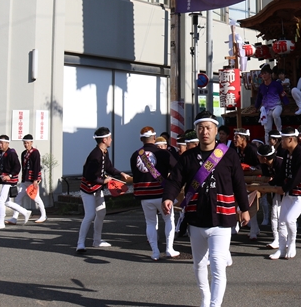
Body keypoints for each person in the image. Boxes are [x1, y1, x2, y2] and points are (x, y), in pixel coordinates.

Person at [162, 111, 249, 307]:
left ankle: (214, 305)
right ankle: (205, 298)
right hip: (196, 218)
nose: (204, 132)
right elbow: (175, 180)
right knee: (199, 264)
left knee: (218, 264)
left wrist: (244, 208)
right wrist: (168, 197)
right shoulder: (188, 157)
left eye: (208, 128)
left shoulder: (229, 155)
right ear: (196, 130)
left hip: (222, 218)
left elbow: (239, 183)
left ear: (216, 130)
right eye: (200, 128)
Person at [76, 127, 132, 253]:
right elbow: (88, 175)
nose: (111, 140)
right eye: (109, 138)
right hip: (87, 189)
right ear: (104, 140)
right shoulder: (95, 155)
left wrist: (121, 173)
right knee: (90, 215)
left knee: (101, 212)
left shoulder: (104, 152)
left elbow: (109, 167)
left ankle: (97, 240)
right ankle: (80, 243)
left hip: (97, 188)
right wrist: (103, 181)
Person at [130, 126, 179, 260]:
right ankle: (169, 249)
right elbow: (177, 168)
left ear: (141, 139)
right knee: (169, 219)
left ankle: (155, 252)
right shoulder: (163, 153)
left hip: (144, 195)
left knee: (150, 222)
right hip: (163, 194)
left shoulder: (135, 155)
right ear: (154, 138)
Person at [270, 126, 301, 260]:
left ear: (291, 139)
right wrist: (272, 183)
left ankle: (292, 245)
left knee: (290, 219)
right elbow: (283, 172)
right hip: (291, 190)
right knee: (281, 220)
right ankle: (281, 249)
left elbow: (298, 177)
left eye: (283, 139)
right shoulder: (287, 153)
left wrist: (283, 188)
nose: (281, 142)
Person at [6, 134, 47, 224]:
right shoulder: (23, 153)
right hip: (25, 179)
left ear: (31, 142)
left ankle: (43, 215)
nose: (26, 145)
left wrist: (35, 180)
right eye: (24, 143)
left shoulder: (35, 152)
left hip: (32, 180)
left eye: (28, 143)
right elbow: (23, 167)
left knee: (36, 198)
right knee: (18, 198)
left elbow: (36, 166)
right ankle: (14, 218)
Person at [231, 128, 261, 240]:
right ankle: (235, 225)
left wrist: (248, 167)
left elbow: (261, 165)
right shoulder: (234, 149)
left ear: (243, 138)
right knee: (234, 200)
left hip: (254, 180)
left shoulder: (252, 149)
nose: (234, 139)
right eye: (234, 137)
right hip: (240, 180)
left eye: (237, 137)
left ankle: (254, 229)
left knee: (250, 203)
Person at [0, 135, 21, 230]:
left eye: (2, 143)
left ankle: (1, 222)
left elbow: (17, 167)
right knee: (7, 202)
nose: (0, 145)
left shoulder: (12, 153)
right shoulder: (0, 152)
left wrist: (10, 176)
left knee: (0, 200)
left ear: (7, 143)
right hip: (4, 179)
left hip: (9, 180)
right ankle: (25, 212)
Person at [257, 142, 284, 249]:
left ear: (264, 158)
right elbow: (267, 177)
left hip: (288, 190)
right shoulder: (264, 164)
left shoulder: (280, 163)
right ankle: (276, 239)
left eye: (259, 156)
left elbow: (283, 178)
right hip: (276, 190)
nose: (257, 157)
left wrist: (272, 182)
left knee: (285, 216)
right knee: (274, 213)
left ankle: (285, 238)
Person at [256, 65, 289, 142]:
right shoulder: (261, 87)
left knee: (275, 114)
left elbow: (282, 94)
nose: (263, 75)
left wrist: (286, 105)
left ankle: (279, 131)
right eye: (262, 74)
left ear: (270, 74)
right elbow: (259, 98)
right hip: (266, 108)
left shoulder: (277, 84)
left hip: (277, 105)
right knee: (267, 129)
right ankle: (268, 146)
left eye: (265, 73)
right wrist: (256, 107)